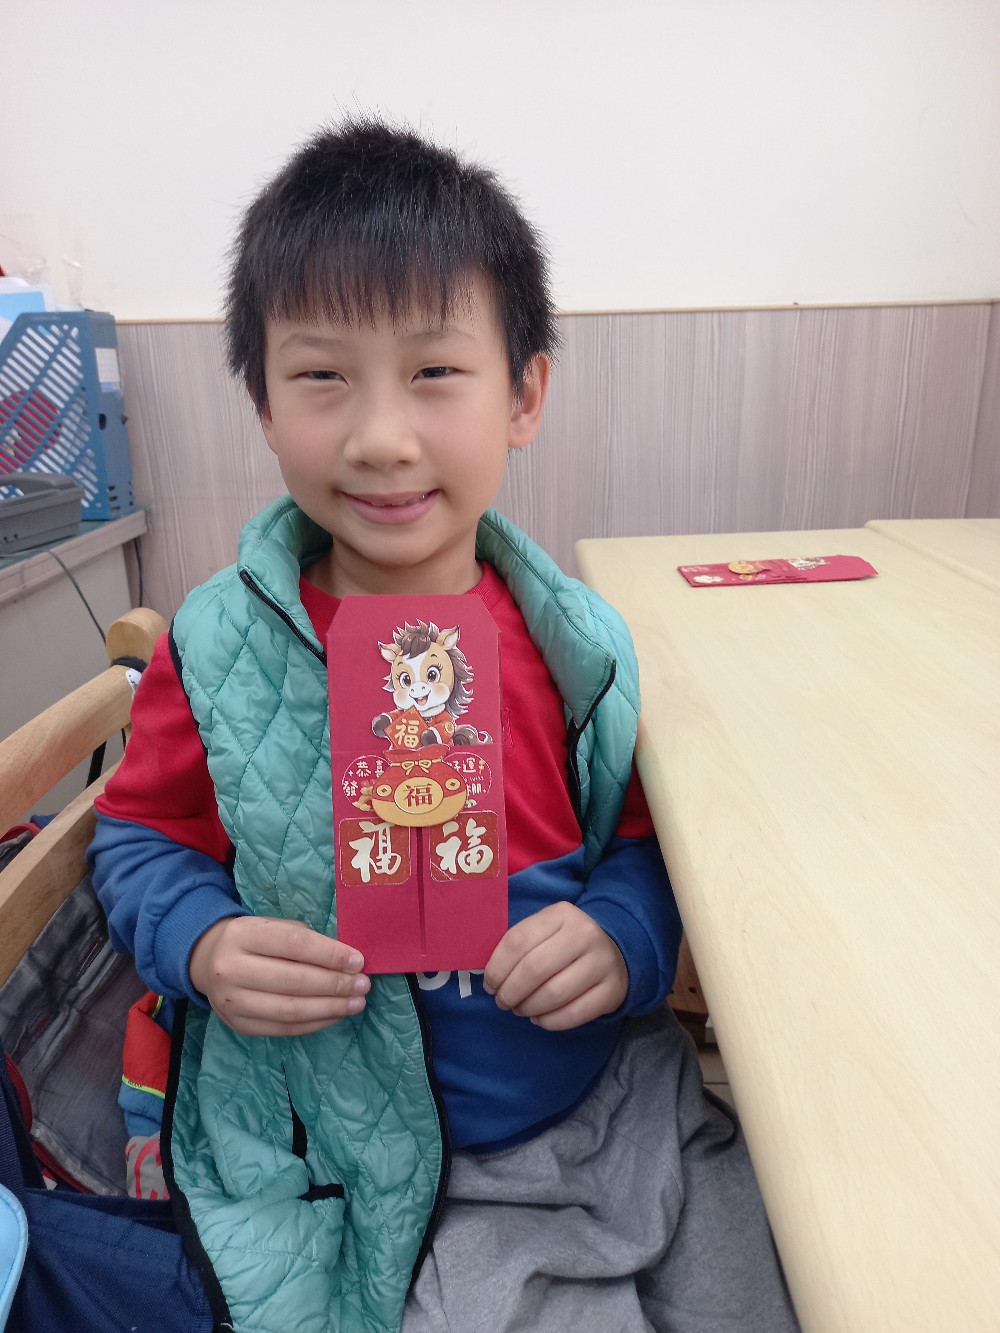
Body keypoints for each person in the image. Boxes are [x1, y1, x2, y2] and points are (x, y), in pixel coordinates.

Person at [88, 118, 799, 1332]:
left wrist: (623, 932)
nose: (379, 437)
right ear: (263, 405)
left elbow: (650, 841)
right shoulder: (214, 649)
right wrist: (202, 942)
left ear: (522, 394)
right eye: (322, 377)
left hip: (609, 1096)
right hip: (370, 1154)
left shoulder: (575, 643)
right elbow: (137, 838)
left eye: (432, 372)